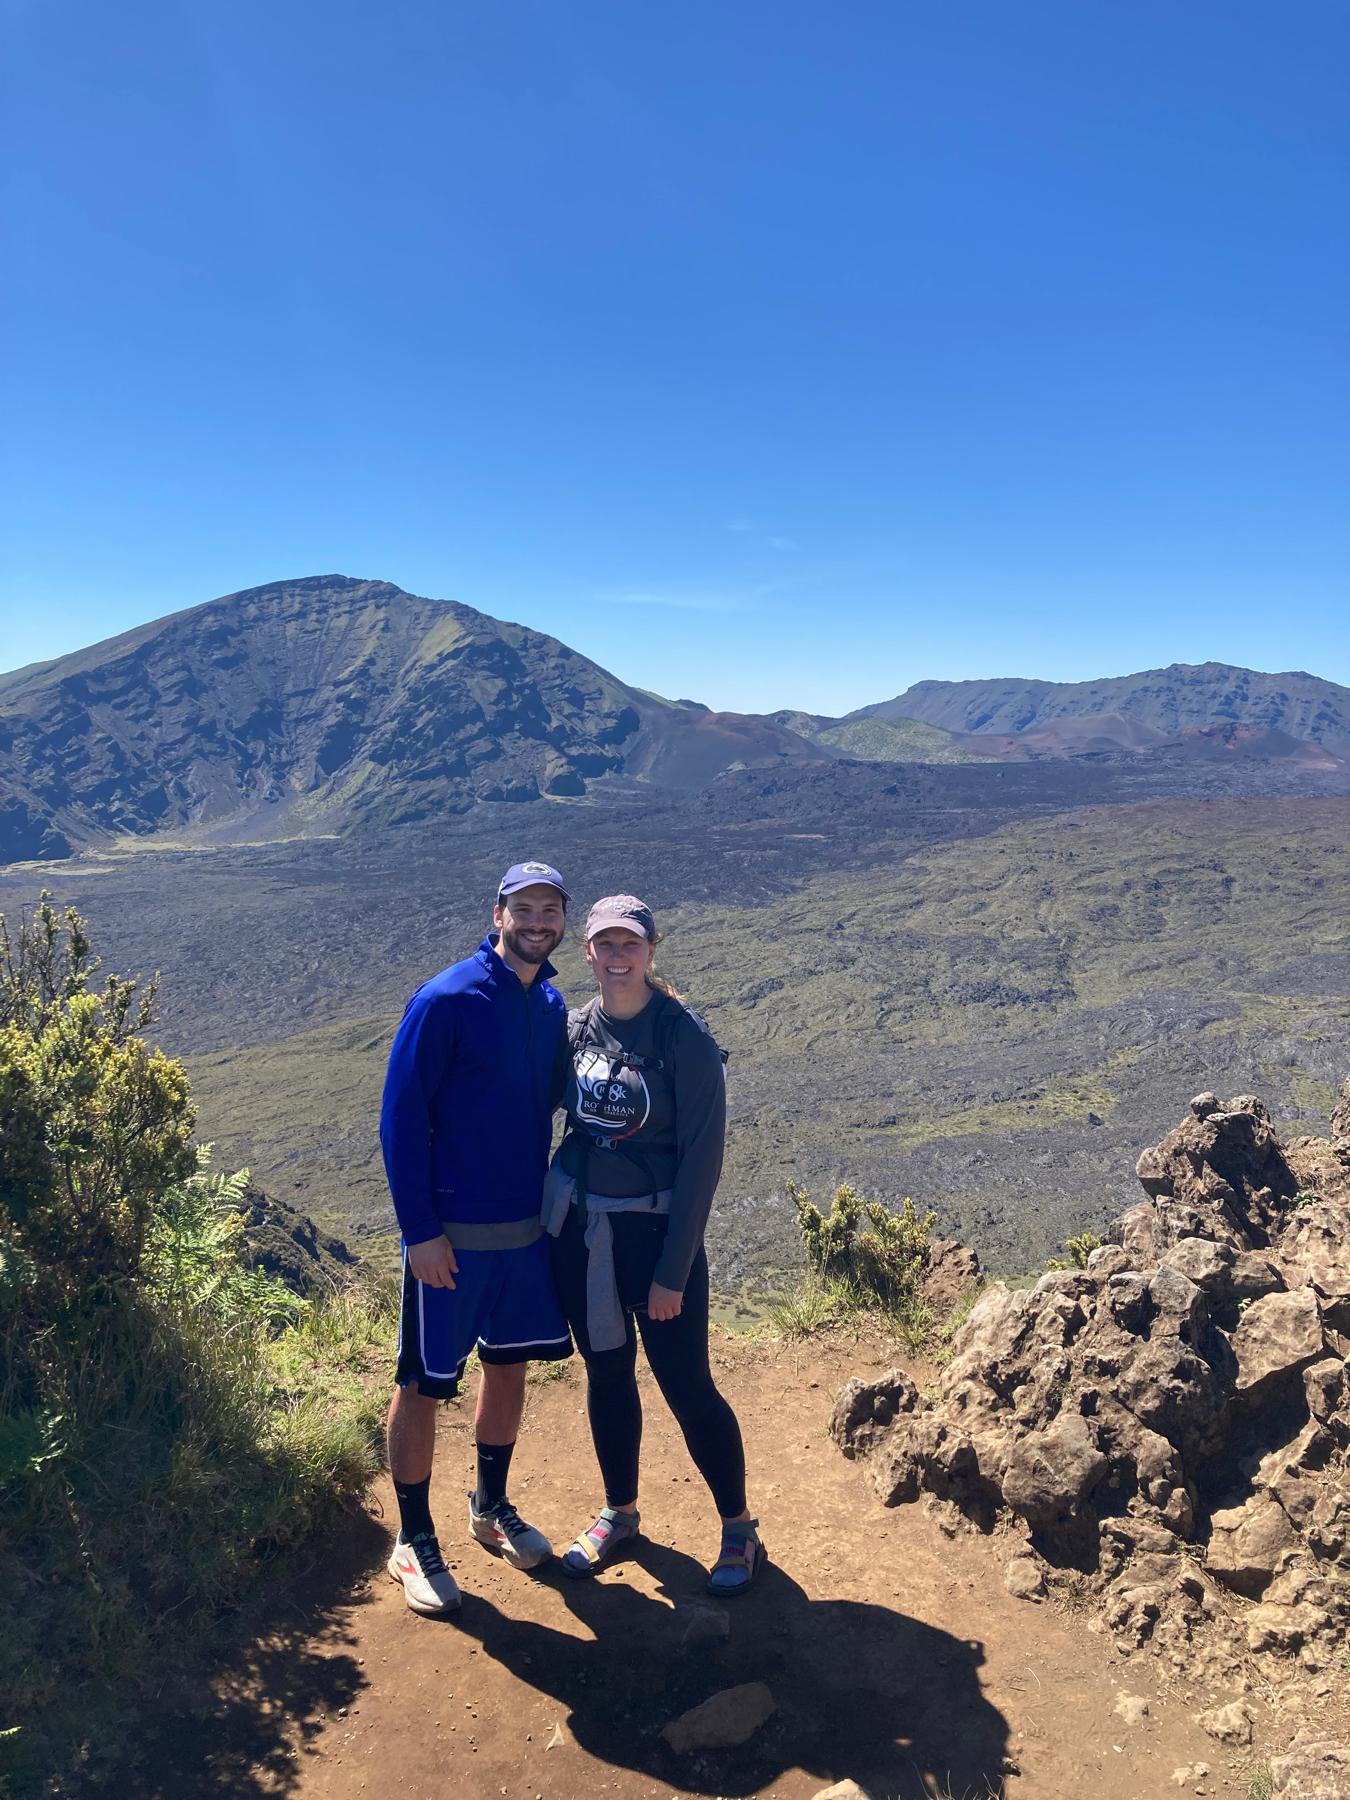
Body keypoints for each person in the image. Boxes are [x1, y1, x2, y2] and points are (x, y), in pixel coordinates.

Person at [543, 894, 764, 1595]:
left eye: (628, 944)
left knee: (686, 1386)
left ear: (651, 951)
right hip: (584, 1235)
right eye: (604, 945)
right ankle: (621, 1513)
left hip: (655, 1239)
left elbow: (702, 1161)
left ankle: (738, 1528)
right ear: (587, 953)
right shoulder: (576, 1029)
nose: (616, 957)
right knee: (607, 1375)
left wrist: (673, 1271)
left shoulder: (683, 1038)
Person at [380, 861, 574, 1615]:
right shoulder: (446, 998)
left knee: (509, 1367)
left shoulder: (551, 1004)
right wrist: (420, 1232)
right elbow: (400, 1119)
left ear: (564, 921)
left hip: (523, 1236)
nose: (536, 922)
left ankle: (488, 1506)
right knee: (424, 1383)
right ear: (496, 913)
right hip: (450, 1241)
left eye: (550, 910)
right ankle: (413, 1539)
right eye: (523, 908)